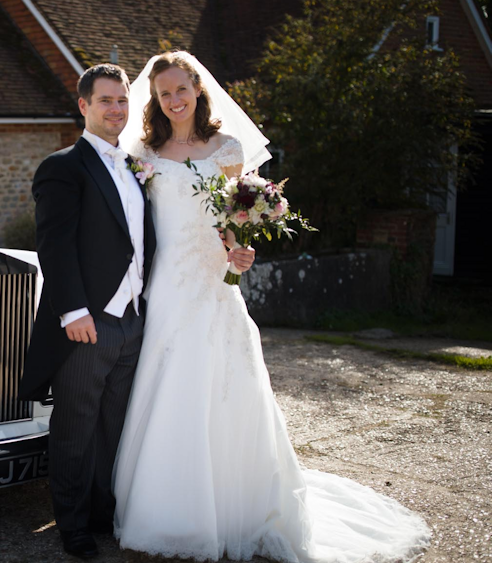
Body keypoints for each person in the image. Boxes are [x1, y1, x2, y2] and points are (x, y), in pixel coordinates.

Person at [111, 51, 432, 562]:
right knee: (169, 381)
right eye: (164, 93)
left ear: (198, 89)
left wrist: (241, 248)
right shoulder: (145, 154)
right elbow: (133, 225)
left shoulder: (228, 148)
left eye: (181, 89)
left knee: (224, 385)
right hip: (168, 284)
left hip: (215, 285)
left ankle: (236, 507)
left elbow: (231, 219)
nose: (173, 100)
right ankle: (167, 509)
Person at [17, 63, 254, 560]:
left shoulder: (135, 162)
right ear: (83, 106)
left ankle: (104, 513)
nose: (115, 109)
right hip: (89, 321)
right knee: (76, 425)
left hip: (139, 317)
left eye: (122, 100)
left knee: (116, 425)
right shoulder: (63, 166)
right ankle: (73, 525)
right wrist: (74, 312)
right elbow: (54, 246)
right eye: (104, 101)